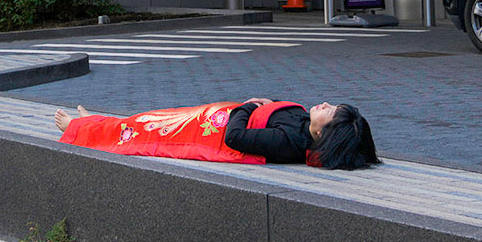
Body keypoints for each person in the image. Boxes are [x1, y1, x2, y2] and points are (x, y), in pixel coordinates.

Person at [53, 97, 380, 172]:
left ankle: (78, 127)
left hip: (205, 132)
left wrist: (248, 107)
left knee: (139, 133)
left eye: (330, 111)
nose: (325, 104)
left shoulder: (287, 143)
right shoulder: (302, 124)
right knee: (145, 121)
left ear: (325, 133)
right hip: (208, 119)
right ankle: (96, 122)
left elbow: (235, 138)